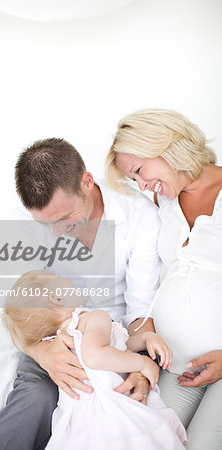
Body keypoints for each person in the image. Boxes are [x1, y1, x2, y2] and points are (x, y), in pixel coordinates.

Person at [0, 138, 162, 450]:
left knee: (121, 412)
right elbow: (20, 306)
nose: (56, 233)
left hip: (112, 336)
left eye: (65, 219)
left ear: (86, 183)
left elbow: (140, 311)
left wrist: (137, 364)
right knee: (37, 395)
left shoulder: (137, 215)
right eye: (46, 224)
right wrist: (41, 352)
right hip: (51, 334)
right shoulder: (25, 217)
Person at [106, 108, 222, 450]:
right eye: (134, 180)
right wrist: (143, 363)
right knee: (148, 439)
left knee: (201, 445)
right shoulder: (163, 201)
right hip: (178, 363)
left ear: (165, 145)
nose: (142, 186)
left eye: (140, 170)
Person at [3, 270, 187, 449]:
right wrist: (141, 362)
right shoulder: (95, 317)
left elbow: (116, 347)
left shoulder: (61, 337)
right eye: (58, 278)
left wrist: (145, 339)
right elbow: (95, 356)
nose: (66, 277)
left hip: (81, 422)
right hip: (110, 410)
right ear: (57, 299)